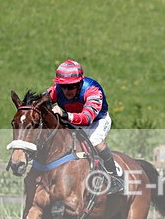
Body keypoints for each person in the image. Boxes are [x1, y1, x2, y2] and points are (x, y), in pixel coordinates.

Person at [47, 59, 123, 193]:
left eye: (71, 86)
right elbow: (40, 102)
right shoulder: (56, 90)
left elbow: (87, 118)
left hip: (96, 121)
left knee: (95, 142)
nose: (66, 91)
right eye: (63, 86)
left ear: (80, 83)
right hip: (72, 120)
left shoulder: (93, 90)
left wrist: (64, 114)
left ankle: (115, 176)